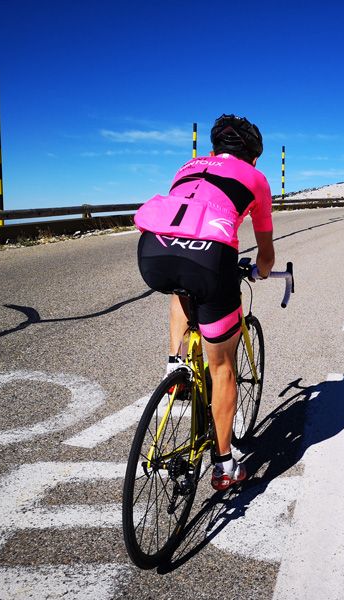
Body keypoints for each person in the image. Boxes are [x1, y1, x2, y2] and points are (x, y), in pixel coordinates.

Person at [134, 114, 275, 491]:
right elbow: (266, 253)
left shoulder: (187, 166)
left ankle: (175, 366)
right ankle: (224, 464)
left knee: (181, 285)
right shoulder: (256, 178)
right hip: (210, 258)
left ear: (212, 152)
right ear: (254, 157)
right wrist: (261, 272)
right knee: (223, 367)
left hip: (153, 252)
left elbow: (183, 223)